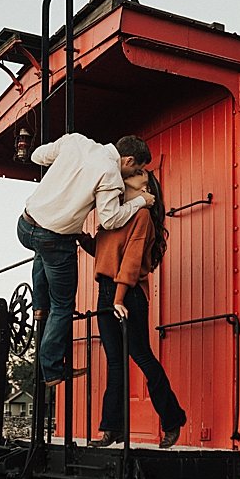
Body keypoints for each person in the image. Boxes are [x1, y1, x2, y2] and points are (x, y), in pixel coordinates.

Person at [17, 133, 155, 387]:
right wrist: (139, 201)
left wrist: (65, 175)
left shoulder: (76, 141)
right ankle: (51, 369)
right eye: (135, 170)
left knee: (41, 251)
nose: (131, 176)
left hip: (25, 226)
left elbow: (37, 155)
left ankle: (39, 305)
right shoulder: (110, 175)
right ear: (128, 160)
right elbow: (111, 219)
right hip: (54, 239)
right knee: (63, 306)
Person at [82, 171, 186, 448]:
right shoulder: (115, 212)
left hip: (127, 295)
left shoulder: (141, 216)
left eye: (141, 174)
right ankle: (111, 429)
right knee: (115, 364)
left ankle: (173, 420)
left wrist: (118, 299)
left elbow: (130, 261)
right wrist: (82, 239)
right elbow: (107, 252)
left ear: (146, 187)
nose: (135, 174)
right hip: (107, 292)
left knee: (142, 356)